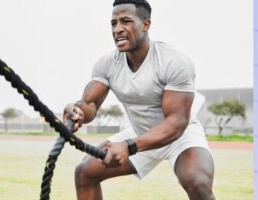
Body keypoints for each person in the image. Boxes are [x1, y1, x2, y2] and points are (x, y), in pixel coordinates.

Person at [63, 0, 215, 199]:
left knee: (197, 183)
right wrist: (78, 111)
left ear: (146, 24)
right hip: (139, 132)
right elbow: (90, 104)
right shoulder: (107, 64)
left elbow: (176, 124)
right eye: (113, 23)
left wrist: (129, 146)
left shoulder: (173, 61)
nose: (117, 29)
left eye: (125, 21)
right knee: (85, 172)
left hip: (180, 135)